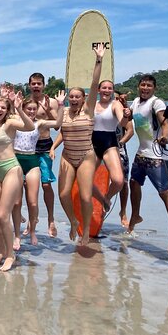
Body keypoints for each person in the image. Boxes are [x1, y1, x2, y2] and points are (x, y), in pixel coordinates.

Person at [123, 74, 168, 254]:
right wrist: (124, 107)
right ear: (139, 86)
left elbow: (164, 123)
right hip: (141, 153)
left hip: (157, 156)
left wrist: (165, 137)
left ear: (154, 88)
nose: (145, 88)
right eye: (143, 85)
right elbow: (129, 118)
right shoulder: (136, 102)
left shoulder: (157, 103)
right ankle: (136, 215)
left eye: (149, 86)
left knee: (164, 193)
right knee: (133, 183)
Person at [55, 45, 104, 246]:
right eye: (72, 96)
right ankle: (73, 221)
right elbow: (60, 131)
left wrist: (98, 60)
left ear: (83, 99)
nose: (74, 99)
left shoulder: (89, 111)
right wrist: (52, 148)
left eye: (78, 96)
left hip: (85, 155)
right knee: (63, 194)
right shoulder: (63, 112)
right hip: (67, 155)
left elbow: (94, 84)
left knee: (85, 196)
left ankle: (84, 233)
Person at [0, 90, 35, 271]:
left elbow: (30, 127)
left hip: (12, 168)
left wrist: (19, 109)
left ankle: (10, 256)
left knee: (3, 215)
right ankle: (1, 251)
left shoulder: (10, 123)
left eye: (3, 107)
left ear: (7, 110)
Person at [12, 92, 65, 247]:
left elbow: (58, 122)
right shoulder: (16, 121)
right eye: (28, 109)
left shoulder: (40, 123)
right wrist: (11, 102)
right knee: (16, 202)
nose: (31, 111)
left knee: (33, 203)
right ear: (23, 108)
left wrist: (61, 105)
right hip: (16, 161)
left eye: (34, 109)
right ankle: (16, 235)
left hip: (32, 160)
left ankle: (33, 231)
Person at [27, 72, 60, 237]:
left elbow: (57, 127)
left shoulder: (51, 102)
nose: (36, 86)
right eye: (33, 83)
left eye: (39, 83)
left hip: (45, 145)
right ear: (29, 85)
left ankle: (51, 219)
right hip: (28, 147)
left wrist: (48, 110)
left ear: (43, 85)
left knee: (46, 184)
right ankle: (32, 219)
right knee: (28, 184)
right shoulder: (26, 102)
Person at [92, 80, 129, 215]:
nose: (106, 90)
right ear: (98, 90)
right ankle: (102, 200)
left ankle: (107, 197)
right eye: (104, 88)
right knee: (85, 180)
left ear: (112, 91)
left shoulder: (115, 104)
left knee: (119, 181)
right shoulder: (92, 104)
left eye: (109, 88)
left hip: (109, 144)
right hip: (92, 144)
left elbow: (122, 122)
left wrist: (126, 115)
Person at [114, 91, 134, 226]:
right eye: (113, 98)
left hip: (119, 150)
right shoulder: (102, 110)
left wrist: (120, 143)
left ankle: (123, 211)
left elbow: (130, 131)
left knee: (123, 182)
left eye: (117, 98)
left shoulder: (123, 113)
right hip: (102, 150)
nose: (115, 100)